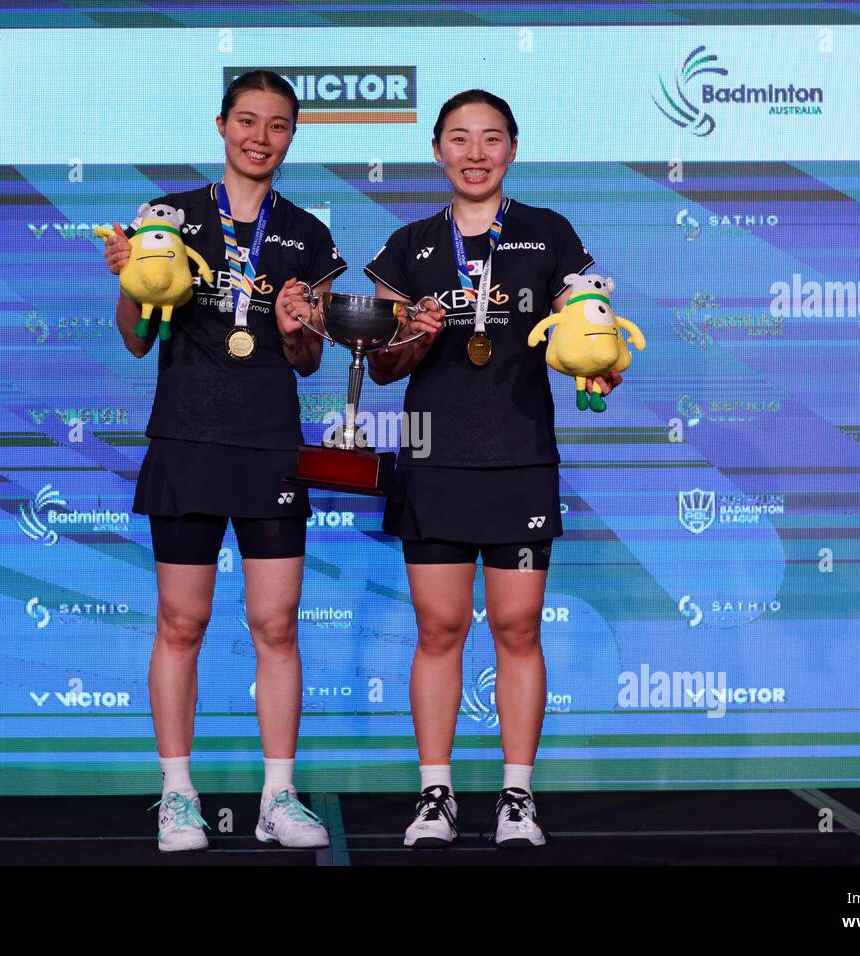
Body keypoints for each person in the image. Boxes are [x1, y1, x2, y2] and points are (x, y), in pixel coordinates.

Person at [365, 89, 622, 848]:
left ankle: (517, 796)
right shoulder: (409, 245)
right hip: (434, 458)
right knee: (439, 628)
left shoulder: (547, 235)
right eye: (459, 138)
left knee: (517, 628)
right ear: (437, 151)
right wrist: (413, 334)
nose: (475, 153)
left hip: (519, 457)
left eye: (491, 138)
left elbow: (587, 332)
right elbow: (379, 369)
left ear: (513, 148)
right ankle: (435, 795)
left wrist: (601, 369)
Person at [103, 70, 346, 852]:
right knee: (182, 622)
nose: (260, 137)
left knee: (276, 625)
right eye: (247, 121)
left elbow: (308, 361)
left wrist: (294, 324)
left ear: (291, 136)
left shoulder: (307, 233)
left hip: (270, 447)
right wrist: (129, 285)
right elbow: (138, 338)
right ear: (221, 125)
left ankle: (279, 795)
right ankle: (177, 793)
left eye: (277, 125)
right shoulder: (168, 217)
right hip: (185, 442)